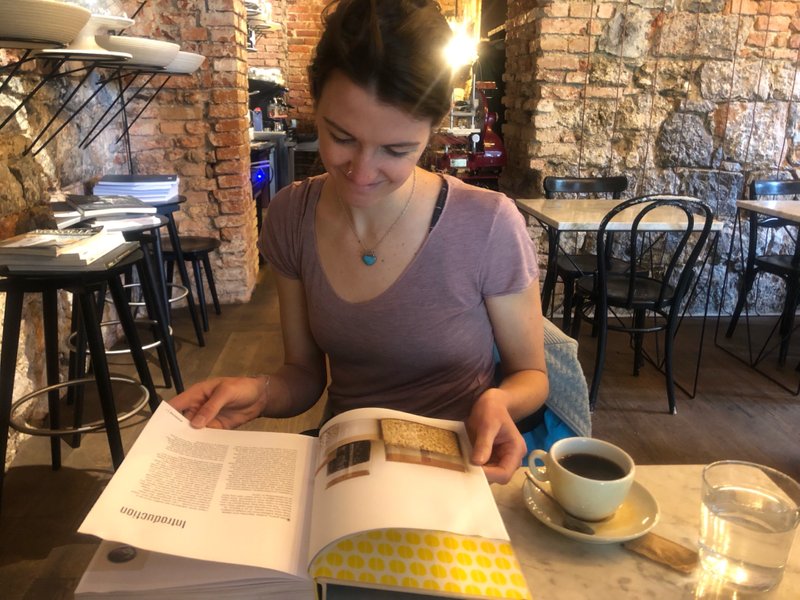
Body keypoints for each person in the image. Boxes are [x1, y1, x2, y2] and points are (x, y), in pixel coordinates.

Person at [170, 0, 548, 484]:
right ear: (316, 104)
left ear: (433, 129)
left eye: (396, 149)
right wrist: (260, 392)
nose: (362, 172)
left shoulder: (488, 223)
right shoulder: (291, 215)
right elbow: (305, 377)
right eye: (341, 136)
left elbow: (531, 378)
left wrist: (498, 399)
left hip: (456, 469)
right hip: (345, 466)